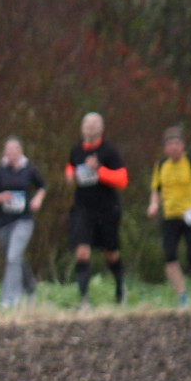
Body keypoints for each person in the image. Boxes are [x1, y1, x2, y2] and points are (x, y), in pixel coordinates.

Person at [146, 125, 191, 306]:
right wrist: (154, 205)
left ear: (183, 145)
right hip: (170, 217)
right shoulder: (161, 166)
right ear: (165, 148)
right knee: (169, 256)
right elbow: (156, 190)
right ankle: (182, 295)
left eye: (177, 143)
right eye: (170, 144)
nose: (174, 148)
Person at [65, 110, 128, 308]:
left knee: (111, 253)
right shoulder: (76, 150)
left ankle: (120, 289)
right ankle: (83, 299)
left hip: (107, 209)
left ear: (101, 128)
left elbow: (122, 180)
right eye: (87, 124)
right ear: (82, 128)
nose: (90, 128)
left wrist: (99, 170)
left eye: (94, 124)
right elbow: (71, 166)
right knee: (82, 252)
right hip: (83, 209)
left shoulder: (109, 151)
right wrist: (69, 175)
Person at [0, 136, 45, 310]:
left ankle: (10, 299)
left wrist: (38, 199)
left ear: (20, 151)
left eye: (14, 150)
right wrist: (0, 197)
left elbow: (42, 186)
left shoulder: (29, 169)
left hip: (23, 221)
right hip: (3, 222)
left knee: (13, 257)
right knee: (14, 258)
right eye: (8, 150)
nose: (11, 153)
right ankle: (30, 287)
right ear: (4, 152)